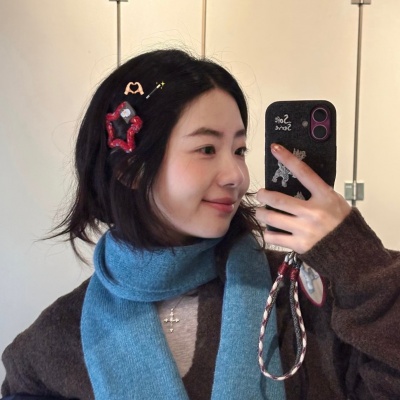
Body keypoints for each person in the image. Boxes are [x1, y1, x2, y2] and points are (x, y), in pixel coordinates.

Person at [1, 49, 399, 400]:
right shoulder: (62, 336)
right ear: (131, 170)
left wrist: (357, 261)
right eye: (207, 148)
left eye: (239, 149)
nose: (237, 175)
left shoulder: (297, 297)